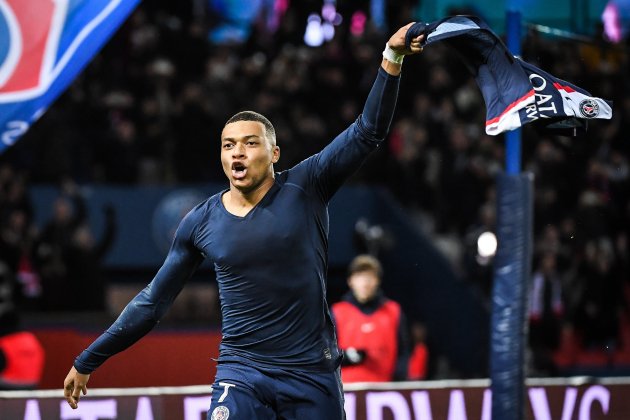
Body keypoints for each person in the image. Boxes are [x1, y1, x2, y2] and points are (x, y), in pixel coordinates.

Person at [63, 23, 424, 419]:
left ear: (274, 154)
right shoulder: (200, 222)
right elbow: (152, 303)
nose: (238, 152)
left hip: (311, 374)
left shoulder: (307, 184)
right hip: (242, 374)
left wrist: (392, 58)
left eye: (250, 143)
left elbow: (367, 132)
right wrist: (88, 360)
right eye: (228, 144)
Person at [331, 254, 411, 382]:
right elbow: (325, 354)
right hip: (348, 392)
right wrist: (347, 357)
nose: (364, 283)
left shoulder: (394, 311)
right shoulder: (337, 312)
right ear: (350, 281)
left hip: (385, 390)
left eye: (369, 277)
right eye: (359, 277)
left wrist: (398, 383)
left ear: (377, 280)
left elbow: (404, 351)